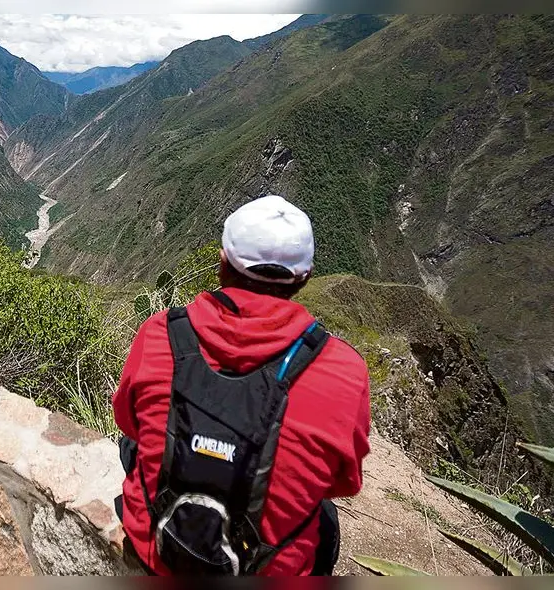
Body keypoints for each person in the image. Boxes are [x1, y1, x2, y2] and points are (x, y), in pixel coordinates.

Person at [113, 195, 370, 576]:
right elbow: (340, 482)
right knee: (325, 517)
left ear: (223, 264)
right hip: (265, 570)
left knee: (130, 445)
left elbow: (129, 421)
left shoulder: (159, 334)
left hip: (157, 555)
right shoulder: (344, 371)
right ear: (304, 278)